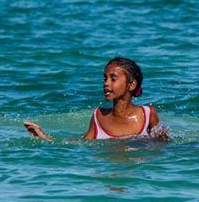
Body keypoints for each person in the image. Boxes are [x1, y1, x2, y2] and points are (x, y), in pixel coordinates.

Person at [24, 57, 165, 141]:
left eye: (113, 79)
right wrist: (45, 138)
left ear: (131, 84)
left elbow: (165, 146)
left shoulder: (147, 115)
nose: (106, 83)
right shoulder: (98, 116)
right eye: (105, 78)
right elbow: (81, 144)